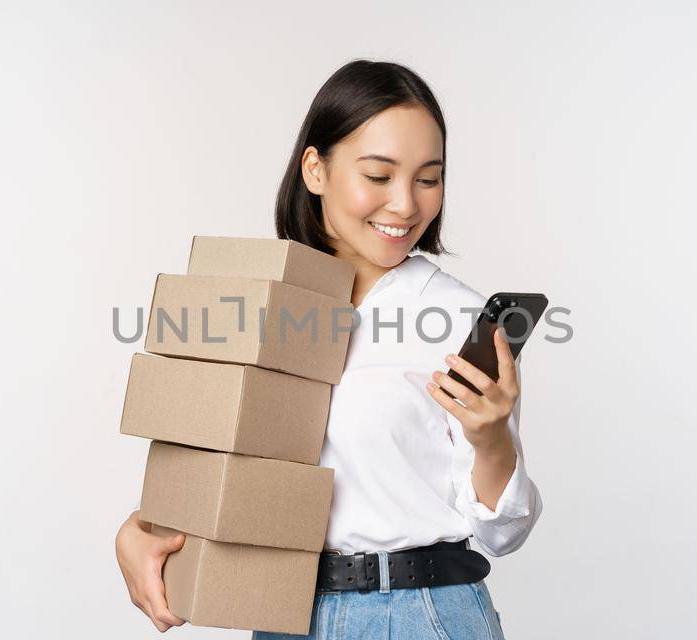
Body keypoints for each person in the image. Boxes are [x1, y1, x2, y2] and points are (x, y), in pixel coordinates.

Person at [115, 59, 541, 640]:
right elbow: (224, 463)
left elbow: (503, 533)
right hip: (283, 613)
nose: (406, 205)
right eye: (379, 174)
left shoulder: (457, 319)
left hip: (418, 613)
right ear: (315, 169)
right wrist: (142, 527)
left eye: (427, 177)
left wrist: (490, 438)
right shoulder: (260, 300)